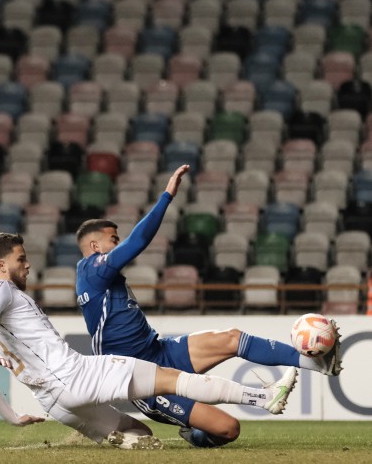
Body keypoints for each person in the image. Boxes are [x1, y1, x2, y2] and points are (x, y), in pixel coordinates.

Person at [75, 164, 343, 448]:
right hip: (142, 380)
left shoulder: (102, 274)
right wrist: (167, 195)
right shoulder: (92, 269)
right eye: (113, 240)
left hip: (158, 351)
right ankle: (195, 433)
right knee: (228, 428)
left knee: (232, 338)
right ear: (94, 246)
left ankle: (318, 362)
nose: (118, 245)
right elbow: (139, 240)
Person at [0, 233, 299, 449]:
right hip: (76, 375)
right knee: (172, 380)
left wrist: (13, 417)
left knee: (140, 433)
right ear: (1, 265)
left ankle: (125, 443)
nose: (27, 265)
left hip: (55, 403)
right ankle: (265, 397)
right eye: (20, 259)